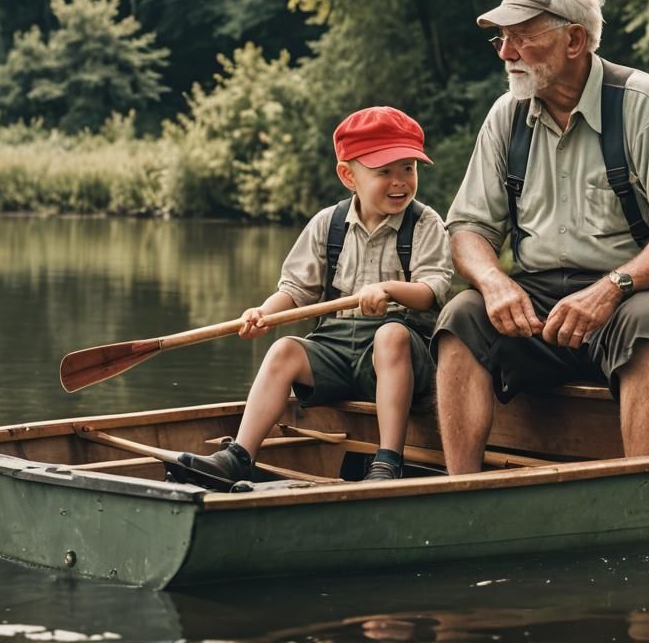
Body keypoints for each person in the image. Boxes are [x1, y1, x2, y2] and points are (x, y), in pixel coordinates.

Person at [435, 0, 649, 474]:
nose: (505, 53)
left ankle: (642, 498)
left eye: (522, 37)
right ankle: (462, 494)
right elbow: (468, 229)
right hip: (543, 301)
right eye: (500, 39)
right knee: (462, 316)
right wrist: (495, 283)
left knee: (646, 325)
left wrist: (612, 288)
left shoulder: (641, 102)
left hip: (647, 291)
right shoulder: (506, 115)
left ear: (574, 40)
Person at [178, 106, 452, 484]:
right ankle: (239, 455)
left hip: (401, 357)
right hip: (337, 351)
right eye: (384, 172)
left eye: (408, 168)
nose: (399, 181)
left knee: (391, 335)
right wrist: (263, 313)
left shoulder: (425, 224)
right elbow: (295, 290)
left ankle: (388, 461)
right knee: (284, 349)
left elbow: (431, 291)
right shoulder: (329, 224)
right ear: (348, 176)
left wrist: (388, 290)